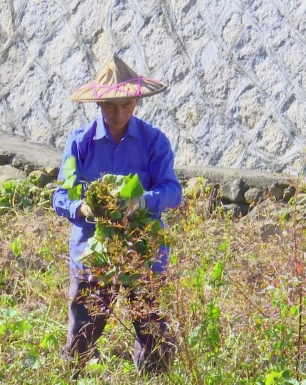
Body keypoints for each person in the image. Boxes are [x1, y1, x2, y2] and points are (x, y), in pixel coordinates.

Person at [52, 55, 183, 376]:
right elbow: (60, 195)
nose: (118, 113)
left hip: (144, 253)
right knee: (83, 333)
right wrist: (81, 207)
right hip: (93, 256)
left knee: (155, 335)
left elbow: (173, 192)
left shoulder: (155, 141)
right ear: (98, 102)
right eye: (110, 105)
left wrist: (141, 202)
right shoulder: (80, 142)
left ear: (136, 100)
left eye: (126, 105)